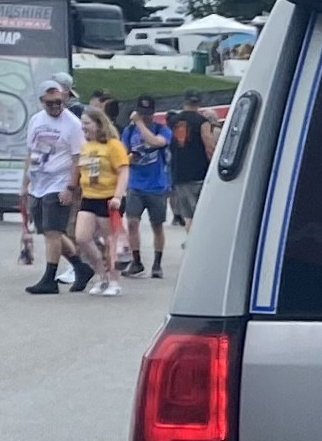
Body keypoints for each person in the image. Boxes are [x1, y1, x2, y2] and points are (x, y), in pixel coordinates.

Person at [21, 79, 91, 295]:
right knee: (49, 231)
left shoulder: (72, 124)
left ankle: (49, 278)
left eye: (59, 102)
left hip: (58, 182)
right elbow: (30, 151)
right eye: (50, 103)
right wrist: (25, 182)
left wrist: (70, 187)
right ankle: (81, 267)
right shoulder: (36, 120)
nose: (55, 106)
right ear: (42, 101)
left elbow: (78, 157)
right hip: (38, 182)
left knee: (53, 231)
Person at [70, 108, 129, 295]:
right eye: (82, 123)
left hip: (108, 198)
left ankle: (114, 281)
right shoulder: (85, 146)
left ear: (98, 124)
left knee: (111, 240)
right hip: (89, 196)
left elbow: (123, 171)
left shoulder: (113, 145)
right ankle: (100, 274)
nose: (83, 127)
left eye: (87, 123)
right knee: (82, 237)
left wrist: (118, 196)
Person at [119, 95, 172, 277]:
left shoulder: (162, 129)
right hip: (135, 184)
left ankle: (157, 264)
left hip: (156, 185)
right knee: (132, 222)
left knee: (157, 225)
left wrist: (140, 124)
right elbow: (121, 154)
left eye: (148, 114)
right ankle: (137, 261)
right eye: (142, 114)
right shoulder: (128, 131)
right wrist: (129, 158)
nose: (145, 117)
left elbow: (156, 142)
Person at [168, 91, 214, 231]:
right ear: (199, 103)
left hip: (180, 173)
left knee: (188, 215)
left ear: (185, 102)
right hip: (199, 173)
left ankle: (190, 241)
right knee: (202, 213)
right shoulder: (202, 122)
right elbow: (209, 147)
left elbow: (175, 144)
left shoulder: (174, 121)